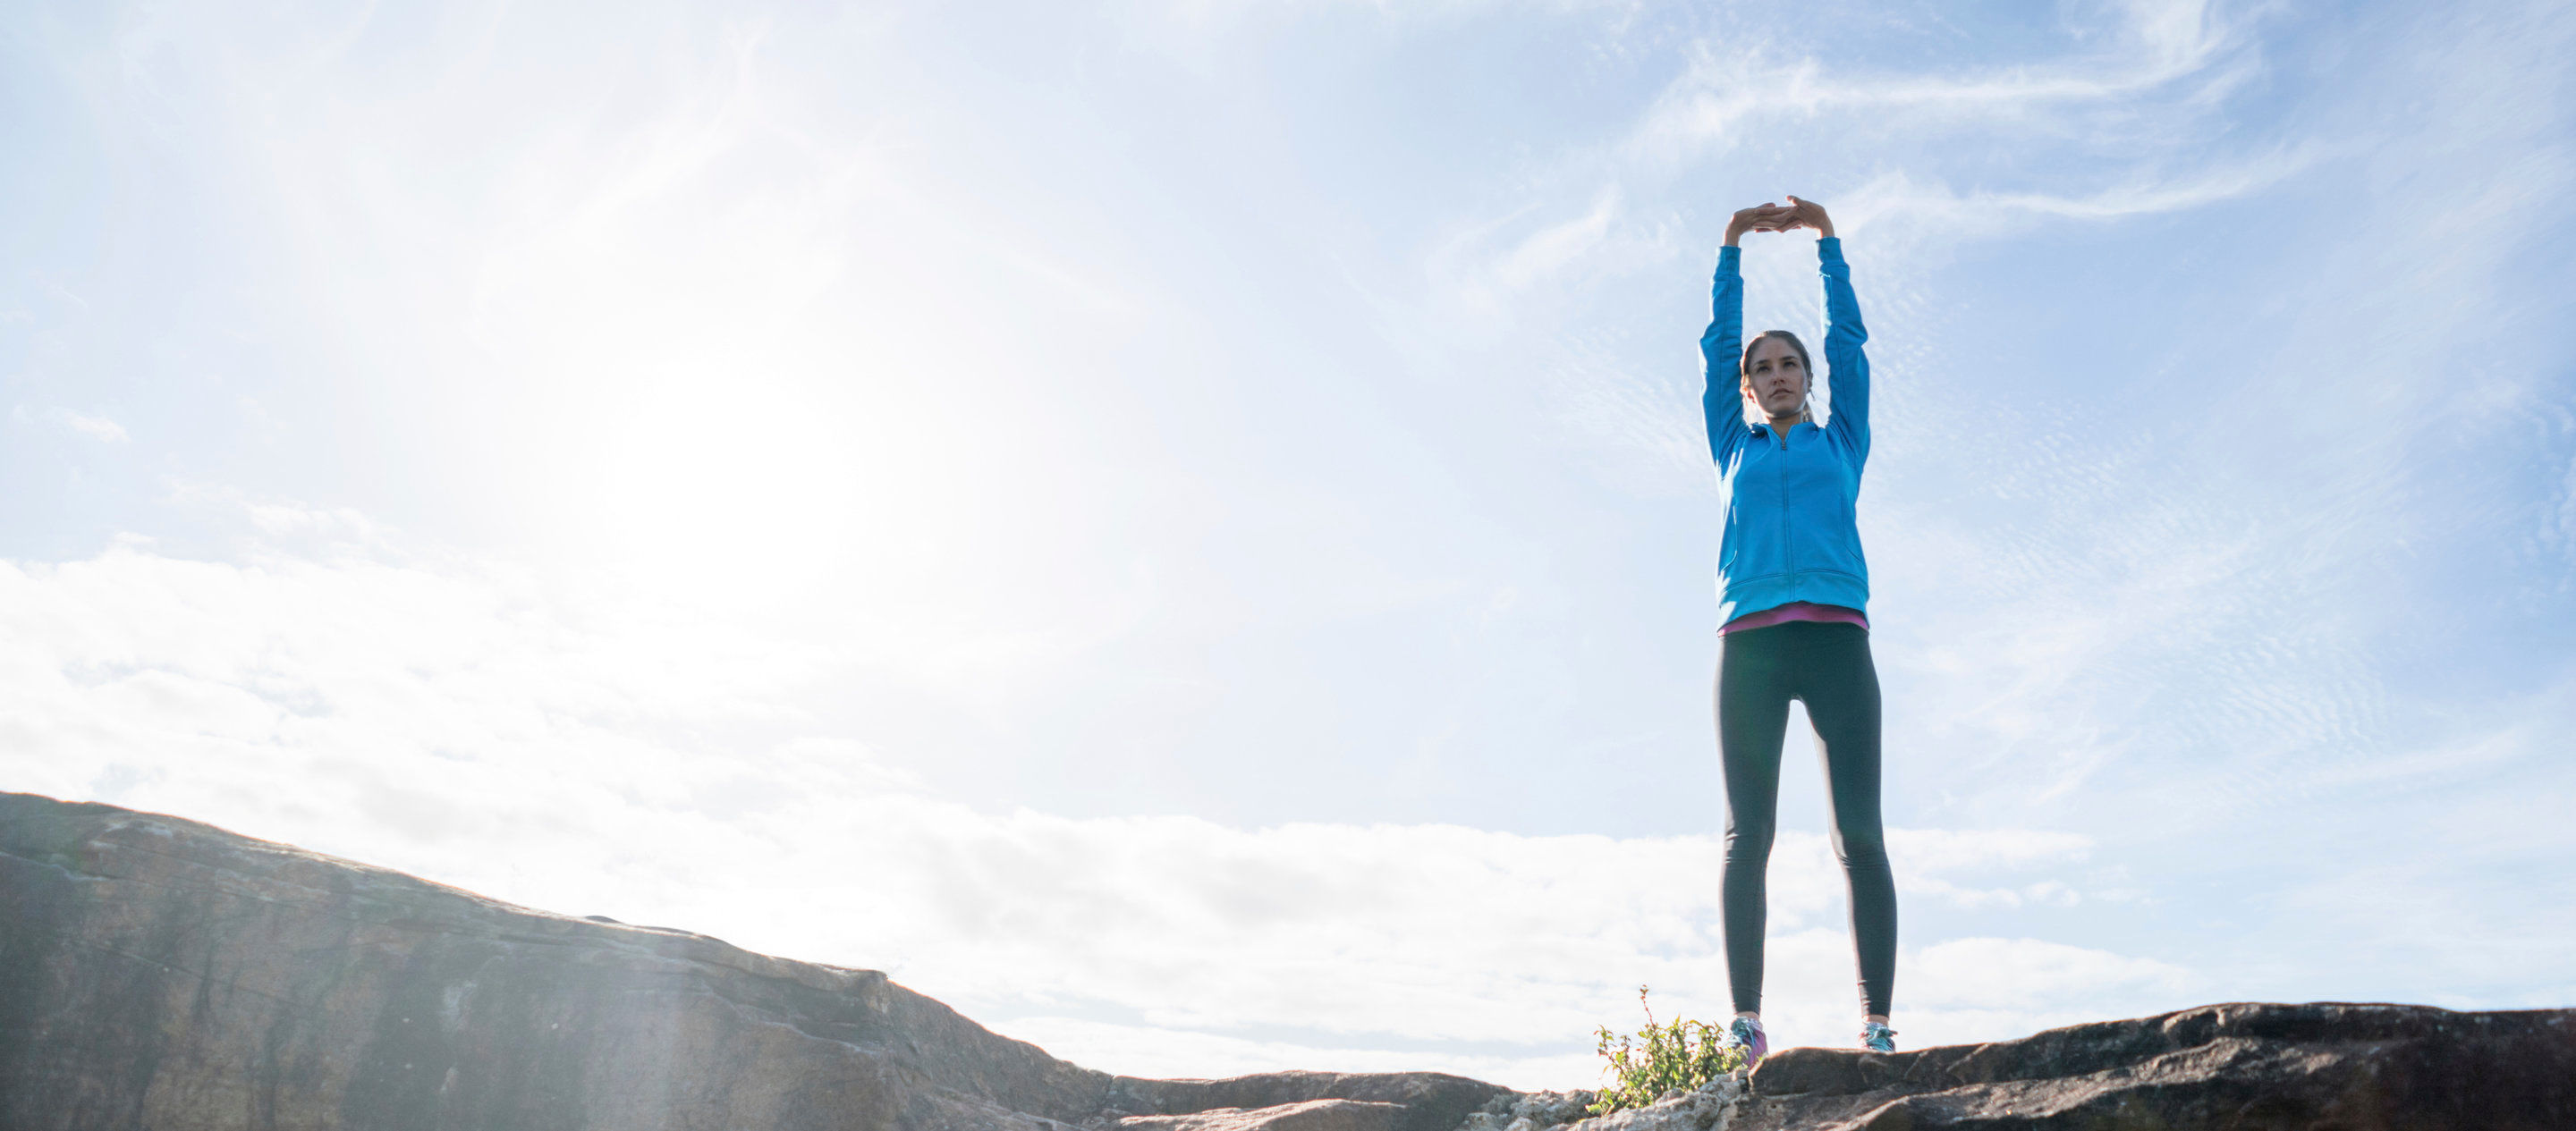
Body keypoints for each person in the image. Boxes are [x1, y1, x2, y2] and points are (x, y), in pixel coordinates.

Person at [1699, 196, 1897, 1059]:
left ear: (1809, 380)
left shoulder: (1840, 440)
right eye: (1763, 368)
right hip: (1748, 645)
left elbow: (1852, 344)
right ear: (1747, 388)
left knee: (1859, 831)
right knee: (1750, 833)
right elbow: (1714, 349)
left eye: (1791, 365)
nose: (1778, 374)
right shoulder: (1732, 447)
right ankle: (1746, 1020)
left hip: (1836, 642)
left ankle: (1879, 1023)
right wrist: (1733, 245)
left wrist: (1828, 244)